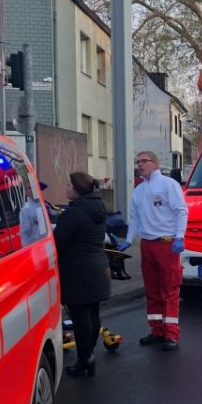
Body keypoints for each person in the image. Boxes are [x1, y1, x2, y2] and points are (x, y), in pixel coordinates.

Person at [118, 150, 189, 351]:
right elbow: (135, 219)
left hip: (167, 243)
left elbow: (181, 211)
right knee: (153, 290)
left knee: (169, 289)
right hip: (148, 244)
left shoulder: (168, 185)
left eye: (144, 161)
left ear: (155, 164)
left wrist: (180, 236)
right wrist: (129, 239)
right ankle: (157, 330)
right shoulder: (139, 191)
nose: (140, 165)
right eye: (138, 161)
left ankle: (171, 334)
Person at [54, 172, 111, 377]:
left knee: (80, 318)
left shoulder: (73, 213)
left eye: (69, 185)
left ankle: (85, 359)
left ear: (77, 189)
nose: (66, 188)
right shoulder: (99, 208)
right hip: (97, 267)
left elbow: (58, 242)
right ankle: (90, 354)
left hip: (78, 271)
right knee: (93, 314)